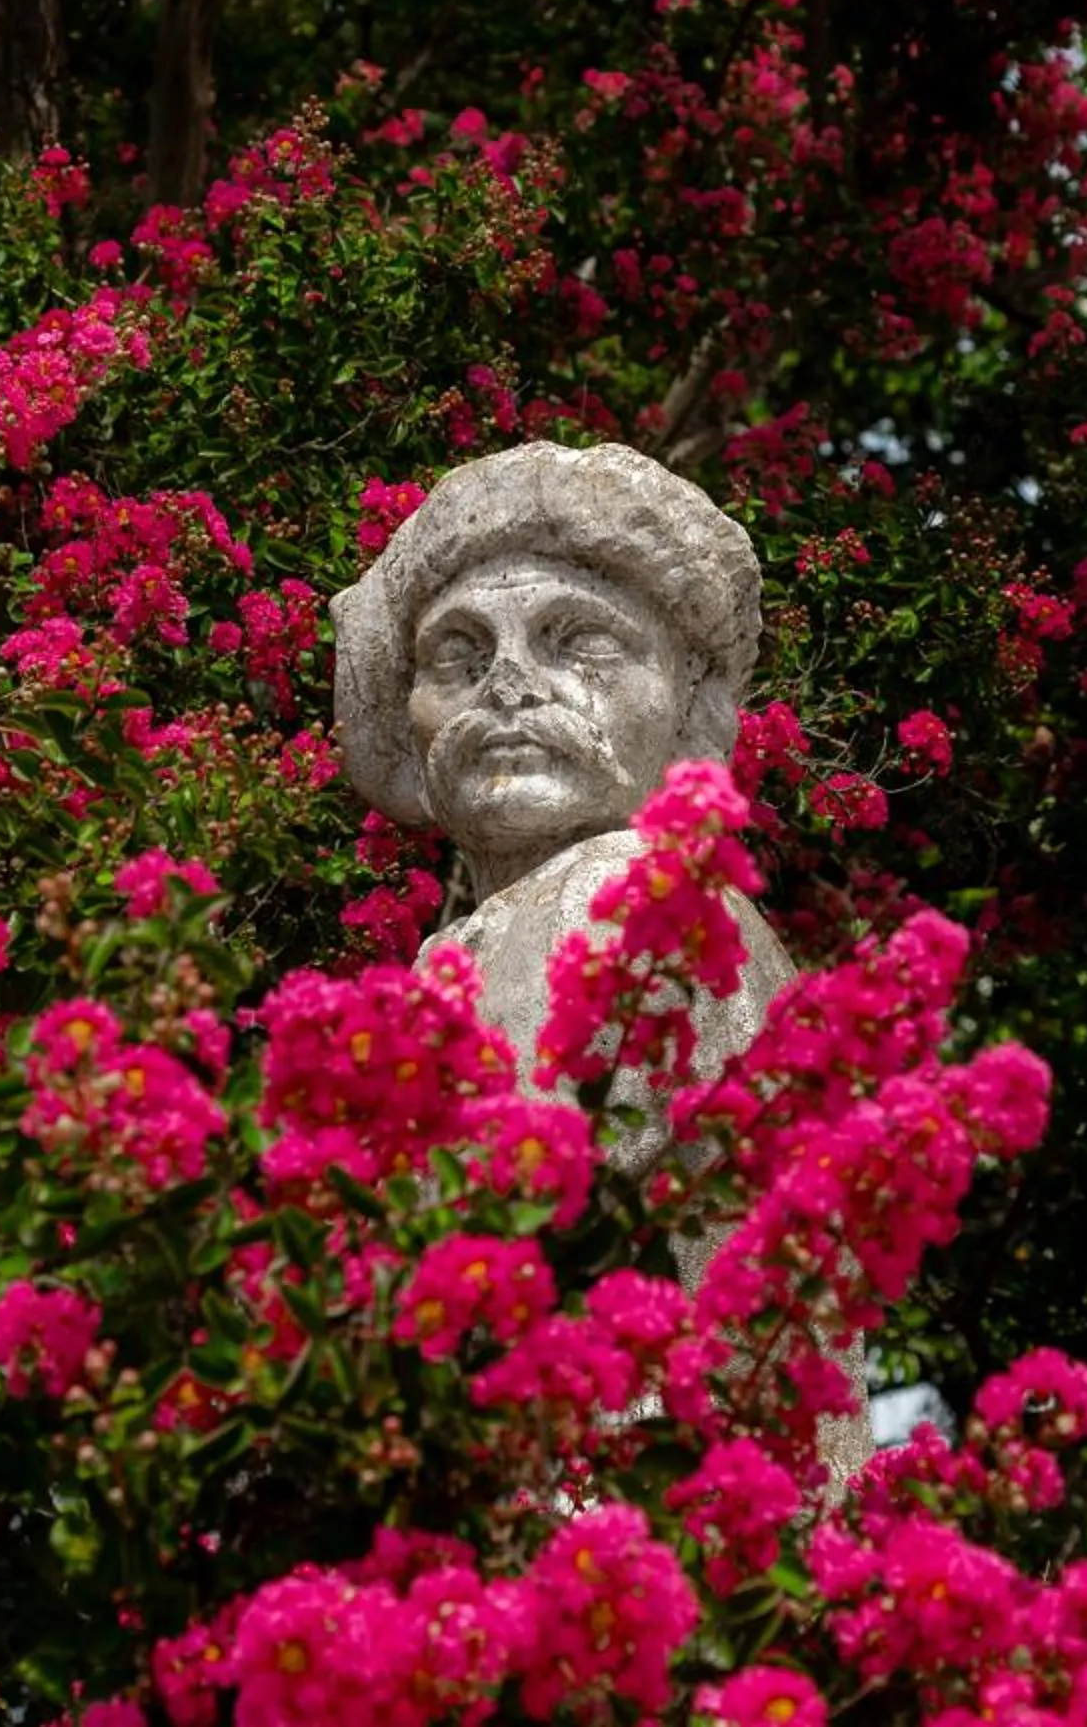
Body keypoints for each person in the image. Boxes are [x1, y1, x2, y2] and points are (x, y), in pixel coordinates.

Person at [334, 442, 870, 1489]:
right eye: (457, 652)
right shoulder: (496, 931)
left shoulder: (624, 894)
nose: (510, 684)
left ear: (689, 705)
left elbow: (463, 1254)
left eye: (580, 641)